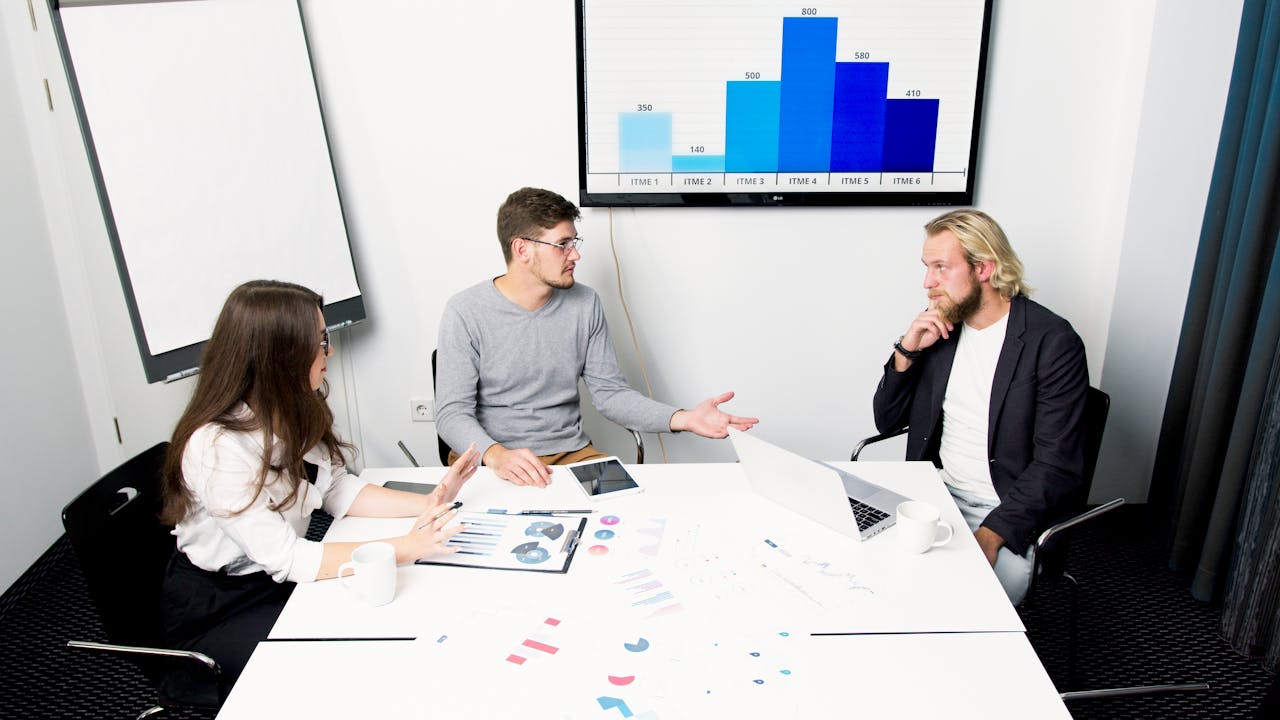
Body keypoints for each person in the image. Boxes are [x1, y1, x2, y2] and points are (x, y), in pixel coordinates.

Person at [159, 280, 480, 683]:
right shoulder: (216, 447)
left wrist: (432, 500)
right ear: (280, 354)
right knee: (335, 664)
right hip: (223, 604)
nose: (329, 351)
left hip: (278, 578)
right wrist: (405, 547)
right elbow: (288, 558)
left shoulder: (292, 406)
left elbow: (335, 487)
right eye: (319, 341)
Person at [436, 187, 758, 487]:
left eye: (574, 243)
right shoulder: (466, 310)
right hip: (491, 459)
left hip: (572, 455)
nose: (575, 255)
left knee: (630, 512)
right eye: (562, 244)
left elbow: (610, 394)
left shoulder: (585, 303)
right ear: (522, 249)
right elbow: (452, 413)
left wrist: (685, 418)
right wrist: (496, 455)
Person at [872, 209, 1088, 604]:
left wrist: (990, 535)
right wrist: (906, 351)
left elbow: (1058, 465)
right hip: (935, 494)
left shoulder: (1053, 342)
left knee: (956, 601)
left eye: (941, 267)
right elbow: (887, 421)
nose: (928, 282)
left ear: (984, 268)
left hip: (1008, 514)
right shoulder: (942, 330)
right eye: (927, 268)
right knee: (870, 569)